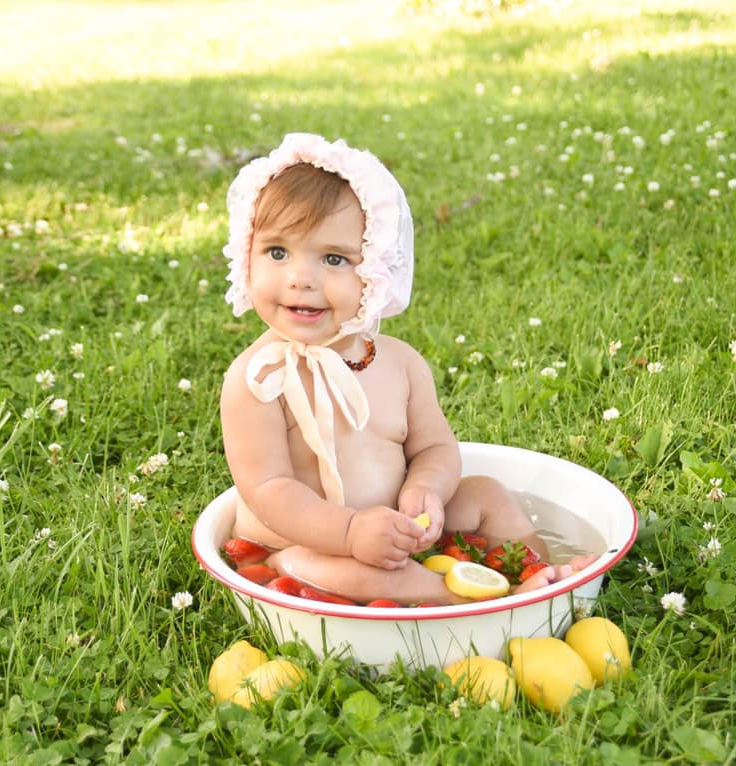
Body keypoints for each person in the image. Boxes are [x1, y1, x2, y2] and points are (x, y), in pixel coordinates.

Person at [220, 133, 595, 604]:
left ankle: (539, 576)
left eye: (334, 259)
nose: (300, 278)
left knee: (488, 495)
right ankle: (470, 603)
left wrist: (426, 490)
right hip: (300, 546)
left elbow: (434, 447)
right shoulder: (257, 379)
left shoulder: (400, 364)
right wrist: (351, 531)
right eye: (277, 252)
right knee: (340, 572)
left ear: (377, 270)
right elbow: (268, 490)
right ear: (247, 253)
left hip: (402, 529)